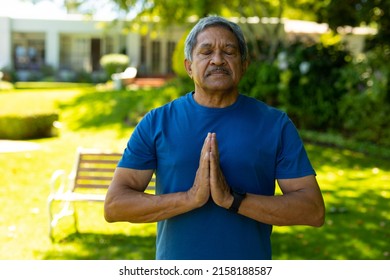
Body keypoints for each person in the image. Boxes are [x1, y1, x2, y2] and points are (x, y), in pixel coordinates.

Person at [104, 15, 325, 260]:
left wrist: (233, 200)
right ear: (189, 66)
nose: (218, 59)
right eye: (206, 51)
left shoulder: (275, 124)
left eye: (229, 51)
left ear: (244, 64)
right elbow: (115, 205)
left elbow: (312, 210)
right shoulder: (157, 122)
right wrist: (190, 198)